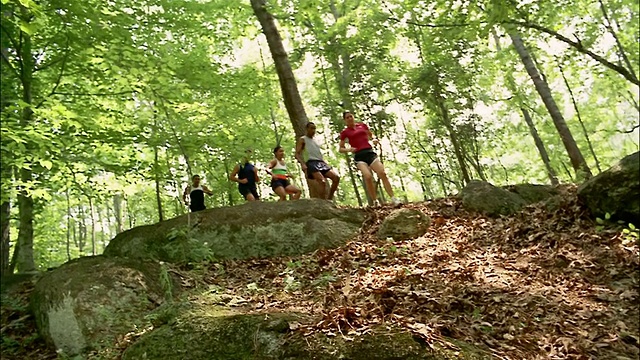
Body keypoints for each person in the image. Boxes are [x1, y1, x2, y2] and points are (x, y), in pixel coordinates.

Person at [338, 111, 401, 206]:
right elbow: (340, 149)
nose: (350, 118)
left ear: (353, 117)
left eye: (351, 116)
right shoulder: (345, 132)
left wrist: (374, 139)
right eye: (347, 118)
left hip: (369, 152)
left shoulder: (362, 126)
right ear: (345, 120)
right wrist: (349, 149)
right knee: (368, 176)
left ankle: (393, 198)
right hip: (359, 156)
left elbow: (371, 135)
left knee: (382, 173)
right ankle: (375, 201)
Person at [295, 122, 340, 200]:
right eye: (311, 128)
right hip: (311, 163)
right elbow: (297, 154)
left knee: (336, 177)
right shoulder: (303, 139)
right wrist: (302, 164)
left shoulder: (315, 141)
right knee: (321, 181)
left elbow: (318, 154)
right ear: (307, 129)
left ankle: (329, 199)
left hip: (321, 162)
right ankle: (322, 201)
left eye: (314, 128)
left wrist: (325, 163)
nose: (313, 130)